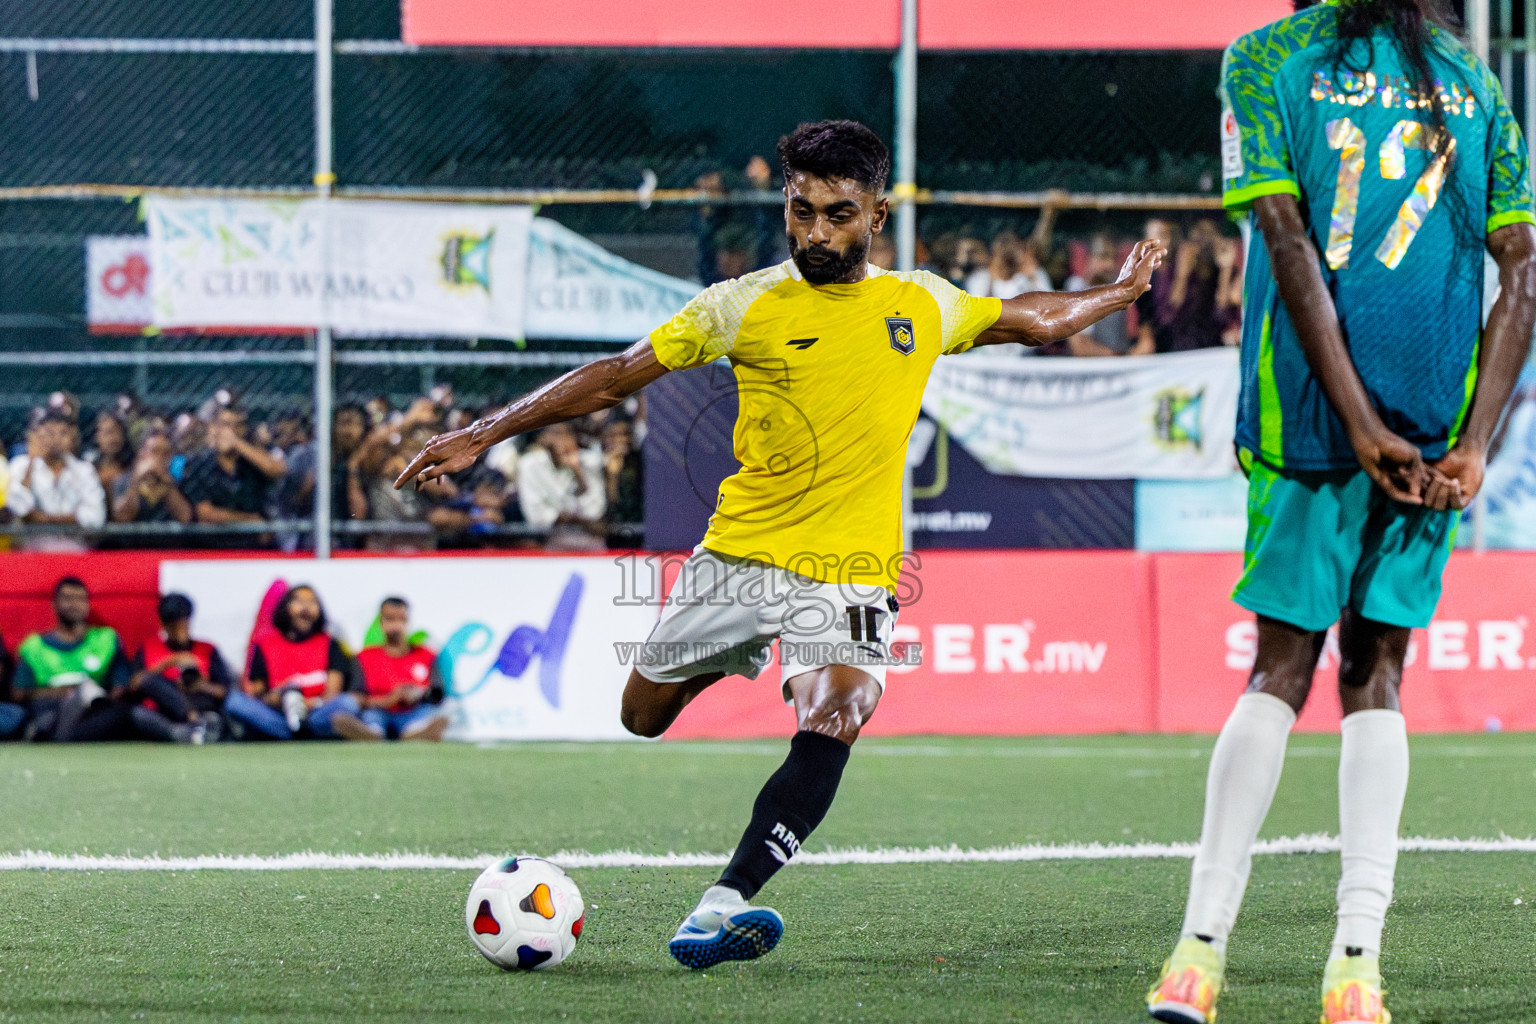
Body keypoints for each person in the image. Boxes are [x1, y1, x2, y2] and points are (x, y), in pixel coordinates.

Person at [397, 119, 1163, 969]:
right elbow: (616, 374)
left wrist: (1113, 297)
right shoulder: (743, 304)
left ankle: (722, 904)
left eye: (839, 215)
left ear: (876, 214)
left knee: (840, 710)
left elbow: (1033, 318)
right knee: (641, 715)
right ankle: (737, 664)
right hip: (738, 555)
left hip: (851, 570)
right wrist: (484, 430)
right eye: (802, 212)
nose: (817, 234)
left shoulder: (921, 303)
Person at [1145, 3, 1536, 1023]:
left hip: (1312, 421)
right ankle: (1355, 969)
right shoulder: (1476, 79)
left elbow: (1285, 240)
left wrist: (1357, 422)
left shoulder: (1267, 57)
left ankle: (1198, 953)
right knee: (1377, 676)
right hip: (1435, 422)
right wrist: (1478, 440)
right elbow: (1525, 268)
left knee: (1279, 667)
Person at [12, 577, 183, 742]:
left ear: (88, 604)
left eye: (80, 599)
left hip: (91, 718)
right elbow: (19, 694)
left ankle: (185, 733)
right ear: (54, 604)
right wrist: (67, 692)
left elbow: (120, 688)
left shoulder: (105, 640)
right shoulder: (34, 647)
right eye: (68, 598)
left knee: (126, 712)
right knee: (82, 694)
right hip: (50, 717)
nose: (74, 604)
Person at [228, 584, 362, 740]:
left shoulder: (330, 643)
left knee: (348, 702)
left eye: (312, 602)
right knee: (235, 701)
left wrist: (308, 704)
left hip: (316, 711)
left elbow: (333, 691)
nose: (306, 607)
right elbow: (258, 693)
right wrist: (279, 700)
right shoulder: (265, 645)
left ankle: (297, 730)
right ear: (285, 608)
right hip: (280, 713)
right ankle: (304, 733)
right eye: (299, 601)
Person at [130, 592, 235, 743]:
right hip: (164, 711)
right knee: (138, 713)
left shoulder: (207, 649)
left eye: (182, 621)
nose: (179, 628)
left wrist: (200, 685)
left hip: (199, 702)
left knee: (215, 711)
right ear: (163, 624)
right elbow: (136, 683)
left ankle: (193, 728)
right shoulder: (149, 648)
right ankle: (192, 727)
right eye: (173, 624)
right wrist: (169, 662)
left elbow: (225, 692)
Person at [180, 405, 285, 545]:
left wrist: (237, 442)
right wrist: (251, 520)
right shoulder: (198, 463)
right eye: (225, 425)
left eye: (238, 425)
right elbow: (204, 513)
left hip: (254, 545)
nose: (231, 431)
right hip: (214, 545)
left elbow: (277, 470)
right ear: (213, 427)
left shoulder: (251, 458)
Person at [6, 409, 107, 551]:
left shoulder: (85, 470)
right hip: (32, 553)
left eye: (63, 433)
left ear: (71, 437)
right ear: (39, 435)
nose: (57, 439)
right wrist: (31, 462)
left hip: (75, 552)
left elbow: (96, 518)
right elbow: (19, 510)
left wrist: (40, 519)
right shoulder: (19, 466)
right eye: (50, 433)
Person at [351, 597, 449, 741]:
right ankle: (371, 733)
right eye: (390, 619)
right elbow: (356, 697)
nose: (396, 626)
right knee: (371, 717)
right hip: (379, 711)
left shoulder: (426, 655)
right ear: (381, 623)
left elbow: (438, 694)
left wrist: (419, 694)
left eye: (401, 619)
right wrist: (387, 700)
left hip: (414, 711)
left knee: (427, 713)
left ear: (408, 621)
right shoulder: (364, 657)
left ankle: (416, 732)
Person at [516, 422, 607, 549]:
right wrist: (577, 520)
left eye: (568, 433)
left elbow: (596, 511)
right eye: (557, 433)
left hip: (590, 539)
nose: (563, 440)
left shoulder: (589, 461)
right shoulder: (530, 465)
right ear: (543, 438)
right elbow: (537, 517)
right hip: (550, 540)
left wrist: (578, 473)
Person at [112, 431, 194, 531]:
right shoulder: (123, 481)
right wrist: (136, 481)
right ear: (142, 453)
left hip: (169, 543)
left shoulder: (175, 481)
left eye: (165, 454)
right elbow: (122, 518)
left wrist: (166, 481)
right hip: (135, 543)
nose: (160, 458)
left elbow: (185, 518)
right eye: (155, 451)